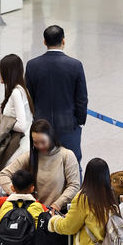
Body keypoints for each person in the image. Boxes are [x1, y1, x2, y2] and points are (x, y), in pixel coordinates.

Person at [25, 25, 88, 160]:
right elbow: (81, 98)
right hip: (69, 125)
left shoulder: (32, 65)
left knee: (41, 165)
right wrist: (80, 121)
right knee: (72, 166)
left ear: (44, 42)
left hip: (41, 126)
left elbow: (29, 96)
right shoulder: (75, 65)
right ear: (63, 41)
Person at [0, 119, 80, 211]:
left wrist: (57, 205)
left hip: (58, 212)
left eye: (43, 142)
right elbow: (3, 175)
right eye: (36, 143)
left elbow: (74, 186)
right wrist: (17, 194)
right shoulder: (30, 156)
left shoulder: (66, 155)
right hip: (34, 211)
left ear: (51, 137)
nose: (40, 146)